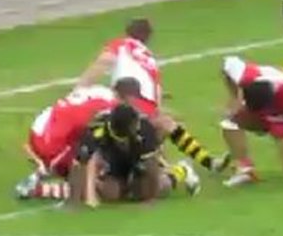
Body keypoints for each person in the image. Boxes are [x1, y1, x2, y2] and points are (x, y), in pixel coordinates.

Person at [77, 18, 230, 173]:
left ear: (128, 32)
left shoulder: (122, 45)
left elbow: (103, 62)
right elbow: (154, 91)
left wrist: (79, 89)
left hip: (129, 106)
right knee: (165, 126)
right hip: (141, 108)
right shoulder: (149, 58)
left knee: (152, 131)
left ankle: (176, 168)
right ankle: (203, 163)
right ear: (148, 37)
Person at [17, 78, 143, 200]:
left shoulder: (100, 91)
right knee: (90, 182)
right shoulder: (110, 108)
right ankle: (39, 189)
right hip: (52, 143)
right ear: (128, 97)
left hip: (42, 128)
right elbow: (92, 143)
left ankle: (46, 168)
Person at [67, 103, 198, 209]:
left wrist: (150, 200)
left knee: (146, 190)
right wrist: (73, 202)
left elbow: (151, 168)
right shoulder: (97, 129)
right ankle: (125, 187)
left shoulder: (144, 131)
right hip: (115, 160)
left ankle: (181, 170)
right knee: (111, 194)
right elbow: (80, 162)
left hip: (139, 159)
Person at [219, 55, 283, 187]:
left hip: (278, 108)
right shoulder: (243, 74)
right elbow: (228, 62)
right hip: (260, 100)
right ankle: (245, 168)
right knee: (229, 123)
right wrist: (234, 96)